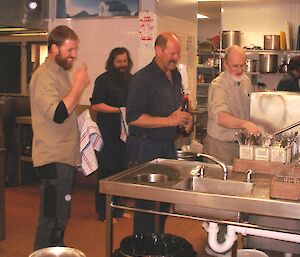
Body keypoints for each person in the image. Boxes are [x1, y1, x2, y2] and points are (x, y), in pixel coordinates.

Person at [29, 25, 90, 250]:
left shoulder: (61, 73)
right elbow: (57, 113)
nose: (74, 55)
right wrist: (78, 85)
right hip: (52, 158)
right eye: (70, 50)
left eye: (75, 50)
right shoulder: (43, 77)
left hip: (63, 157)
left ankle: (55, 251)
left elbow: (67, 107)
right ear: (54, 48)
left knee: (60, 217)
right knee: (51, 218)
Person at [126, 32, 193, 234]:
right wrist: (169, 121)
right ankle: (143, 247)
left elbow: (174, 110)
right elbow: (134, 118)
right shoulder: (142, 79)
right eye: (172, 53)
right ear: (158, 50)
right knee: (147, 207)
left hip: (167, 147)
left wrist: (185, 120)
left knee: (164, 203)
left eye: (178, 53)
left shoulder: (176, 76)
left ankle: (157, 243)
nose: (176, 57)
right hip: (145, 148)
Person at [90, 47, 133, 221]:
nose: (122, 65)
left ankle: (118, 209)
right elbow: (95, 105)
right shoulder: (103, 80)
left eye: (124, 62)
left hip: (125, 136)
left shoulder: (131, 79)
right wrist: (118, 110)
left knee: (121, 172)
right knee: (106, 173)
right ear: (112, 62)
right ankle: (103, 212)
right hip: (107, 134)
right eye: (119, 62)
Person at [203, 45, 260, 166]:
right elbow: (221, 118)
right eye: (235, 66)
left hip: (240, 145)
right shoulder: (218, 86)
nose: (239, 70)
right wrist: (245, 124)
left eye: (242, 65)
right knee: (219, 182)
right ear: (225, 64)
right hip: (220, 148)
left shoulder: (245, 80)